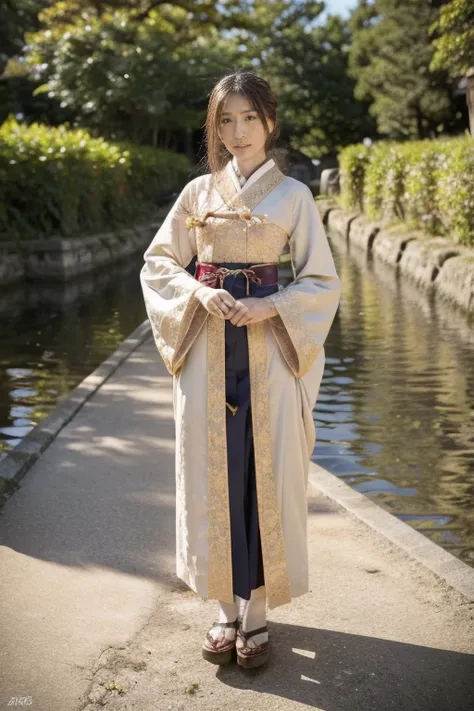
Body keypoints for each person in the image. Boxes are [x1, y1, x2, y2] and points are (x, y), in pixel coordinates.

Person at [139, 69, 341, 669]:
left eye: (248, 117)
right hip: (207, 348)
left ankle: (257, 611)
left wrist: (270, 305)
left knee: (264, 473)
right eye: (225, 120)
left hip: (269, 351)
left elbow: (322, 280)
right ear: (215, 127)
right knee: (212, 475)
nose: (237, 131)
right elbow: (158, 263)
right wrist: (198, 294)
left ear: (270, 121)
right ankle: (224, 607)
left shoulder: (294, 197)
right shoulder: (197, 194)